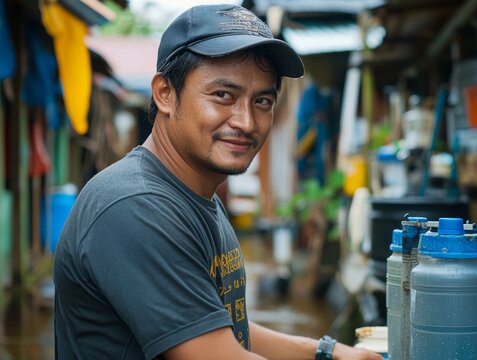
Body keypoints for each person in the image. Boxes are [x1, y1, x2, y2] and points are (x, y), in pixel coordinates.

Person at [53, 3, 382, 360]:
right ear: (165, 93)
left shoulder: (197, 196)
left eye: (262, 101)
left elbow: (214, 325)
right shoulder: (134, 206)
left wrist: (327, 352)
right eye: (223, 95)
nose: (246, 121)